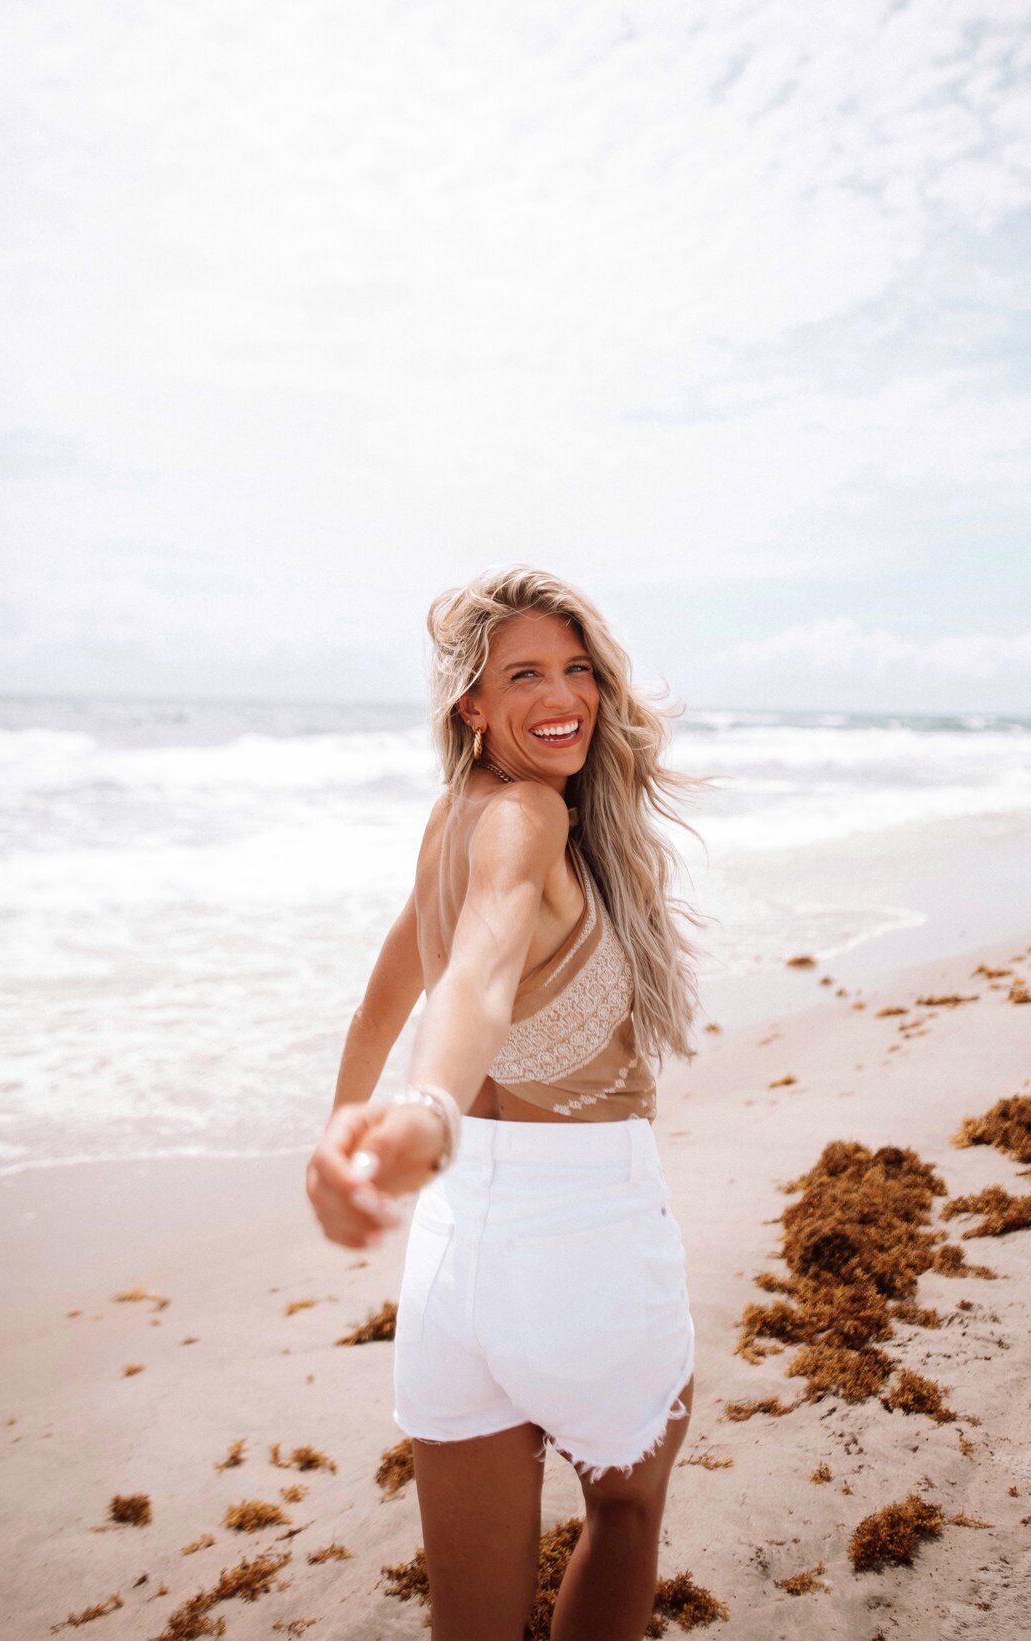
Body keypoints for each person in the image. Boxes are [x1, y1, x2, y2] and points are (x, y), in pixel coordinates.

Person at [305, 566, 707, 1641]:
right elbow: (478, 968)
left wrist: (342, 1131)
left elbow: (386, 997)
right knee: (625, 1506)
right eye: (522, 671)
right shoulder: (525, 816)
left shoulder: (456, 819)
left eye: (576, 666)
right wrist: (426, 1109)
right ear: (469, 705)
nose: (560, 691)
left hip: (451, 1267)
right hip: (586, 1241)